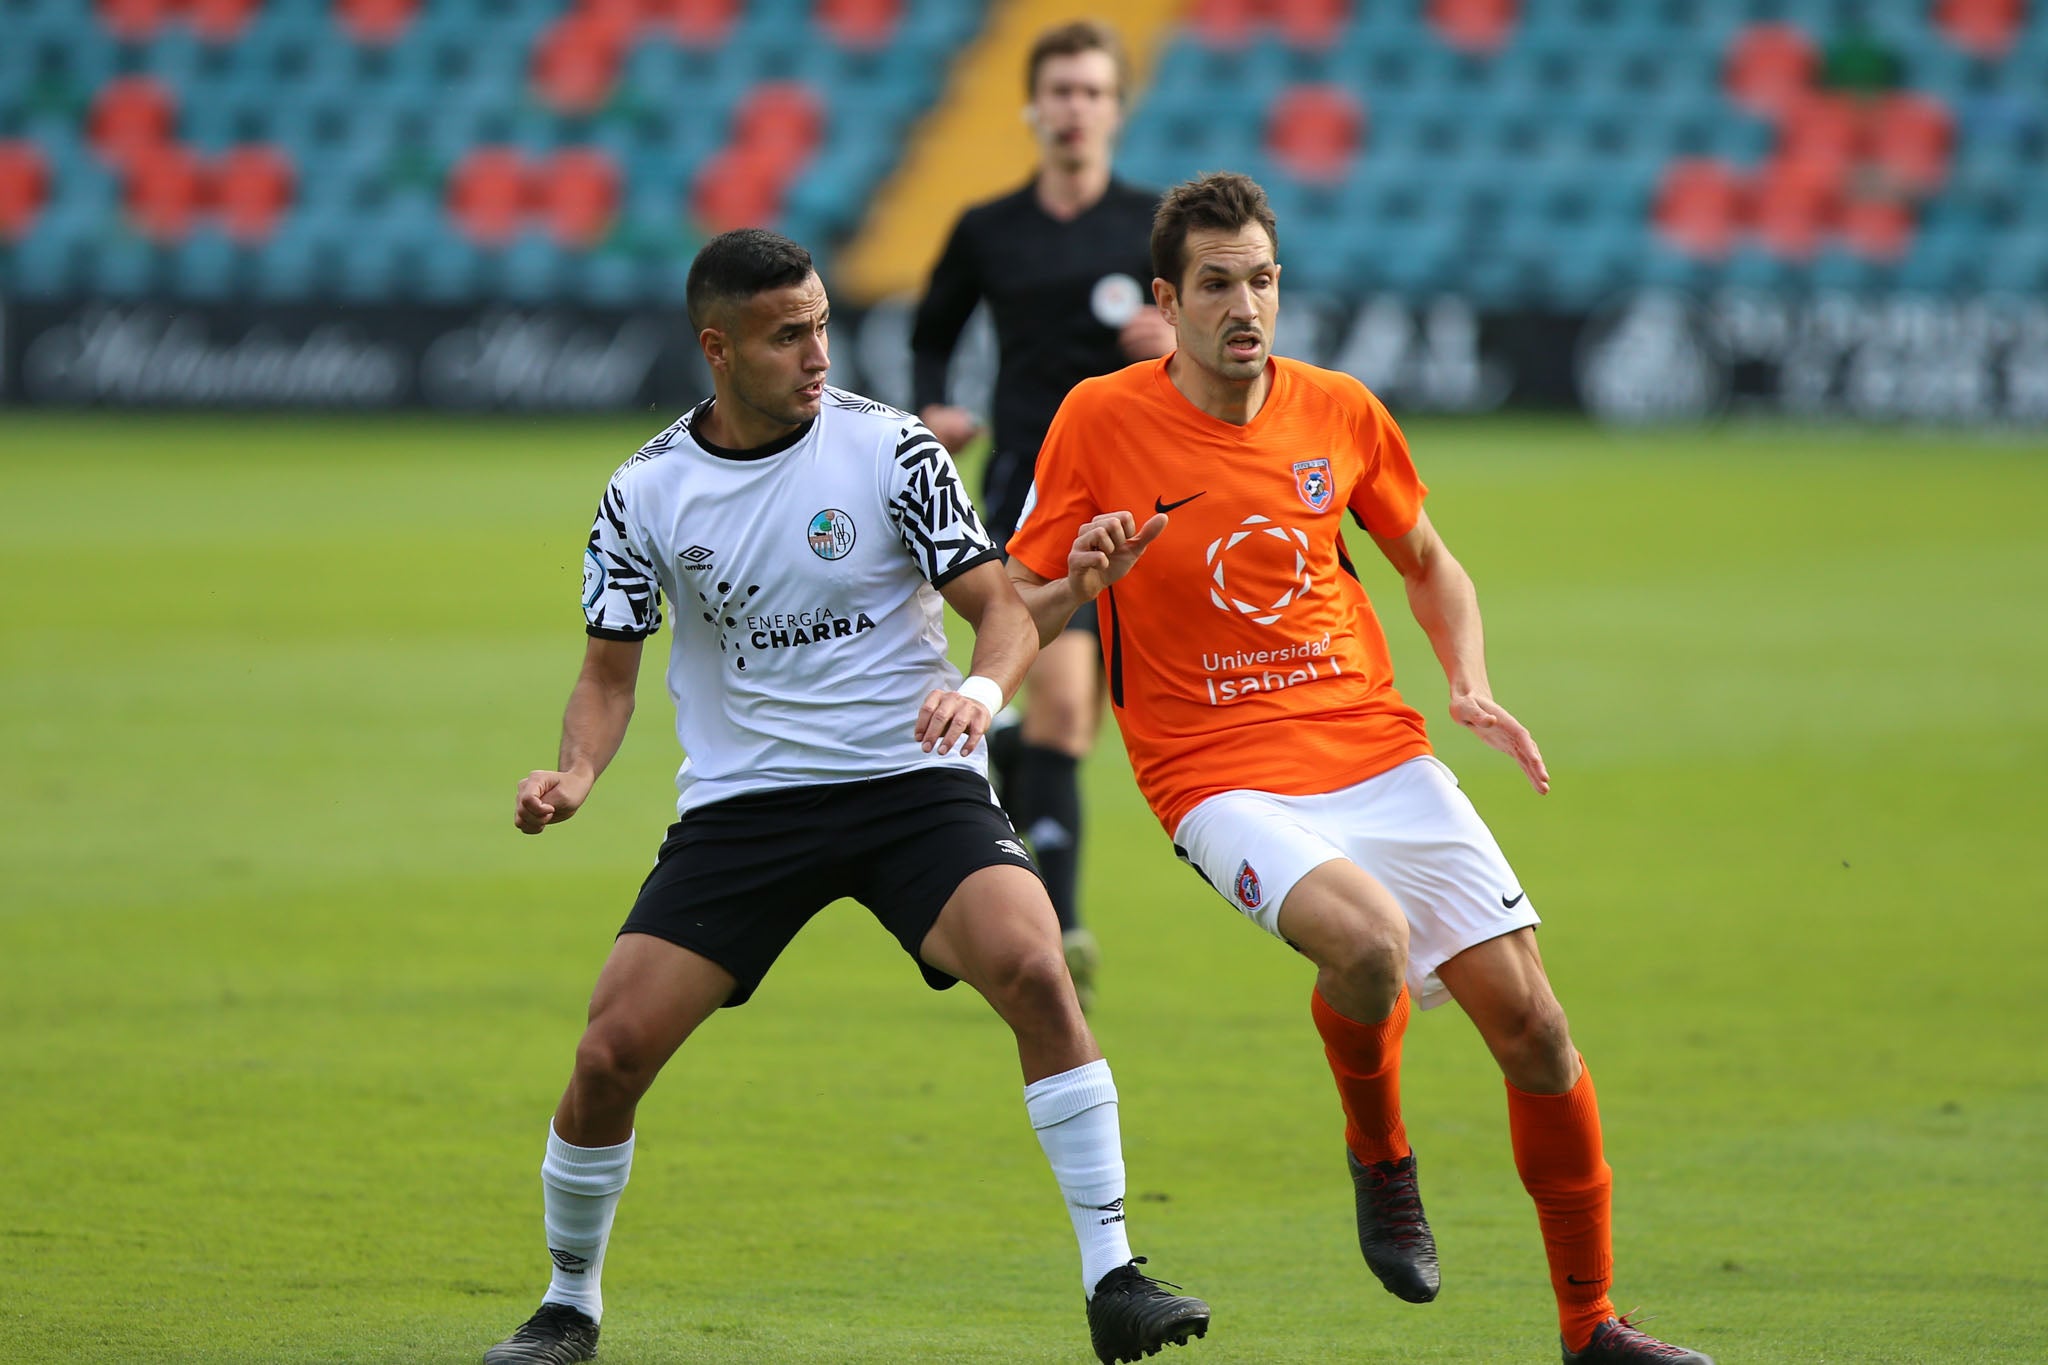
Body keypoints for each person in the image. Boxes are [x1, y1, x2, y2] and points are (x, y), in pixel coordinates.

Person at [1003, 173, 1715, 1365]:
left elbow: (1428, 561)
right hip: (1214, 771)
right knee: (1370, 943)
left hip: (1376, 750)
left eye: (1263, 280)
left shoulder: (1337, 411)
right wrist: (1063, 588)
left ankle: (1590, 1328)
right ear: (1167, 301)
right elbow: (1013, 597)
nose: (1245, 305)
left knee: (1534, 1027)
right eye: (1217, 284)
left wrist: (1468, 681)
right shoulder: (1099, 419)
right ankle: (1380, 1153)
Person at [484, 229, 1208, 1365]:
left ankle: (1113, 1272)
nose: (819, 351)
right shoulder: (645, 492)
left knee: (1032, 965)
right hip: (746, 807)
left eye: (822, 323)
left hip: (910, 786)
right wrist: (574, 774)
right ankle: (568, 1304)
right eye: (788, 336)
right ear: (717, 349)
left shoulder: (893, 450)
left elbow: (1002, 601)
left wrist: (978, 687)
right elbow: (607, 670)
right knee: (608, 1054)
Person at [910, 19, 1173, 1011]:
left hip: (1139, 490)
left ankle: (1008, 753)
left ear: (1113, 107)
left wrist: (1171, 341)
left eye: (1091, 92)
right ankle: (1056, 927)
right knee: (1065, 705)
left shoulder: (1155, 225)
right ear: (1031, 106)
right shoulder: (989, 228)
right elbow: (932, 330)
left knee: (1072, 724)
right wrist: (933, 408)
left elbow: (1221, 336)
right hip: (1030, 484)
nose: (1073, 108)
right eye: (1058, 90)